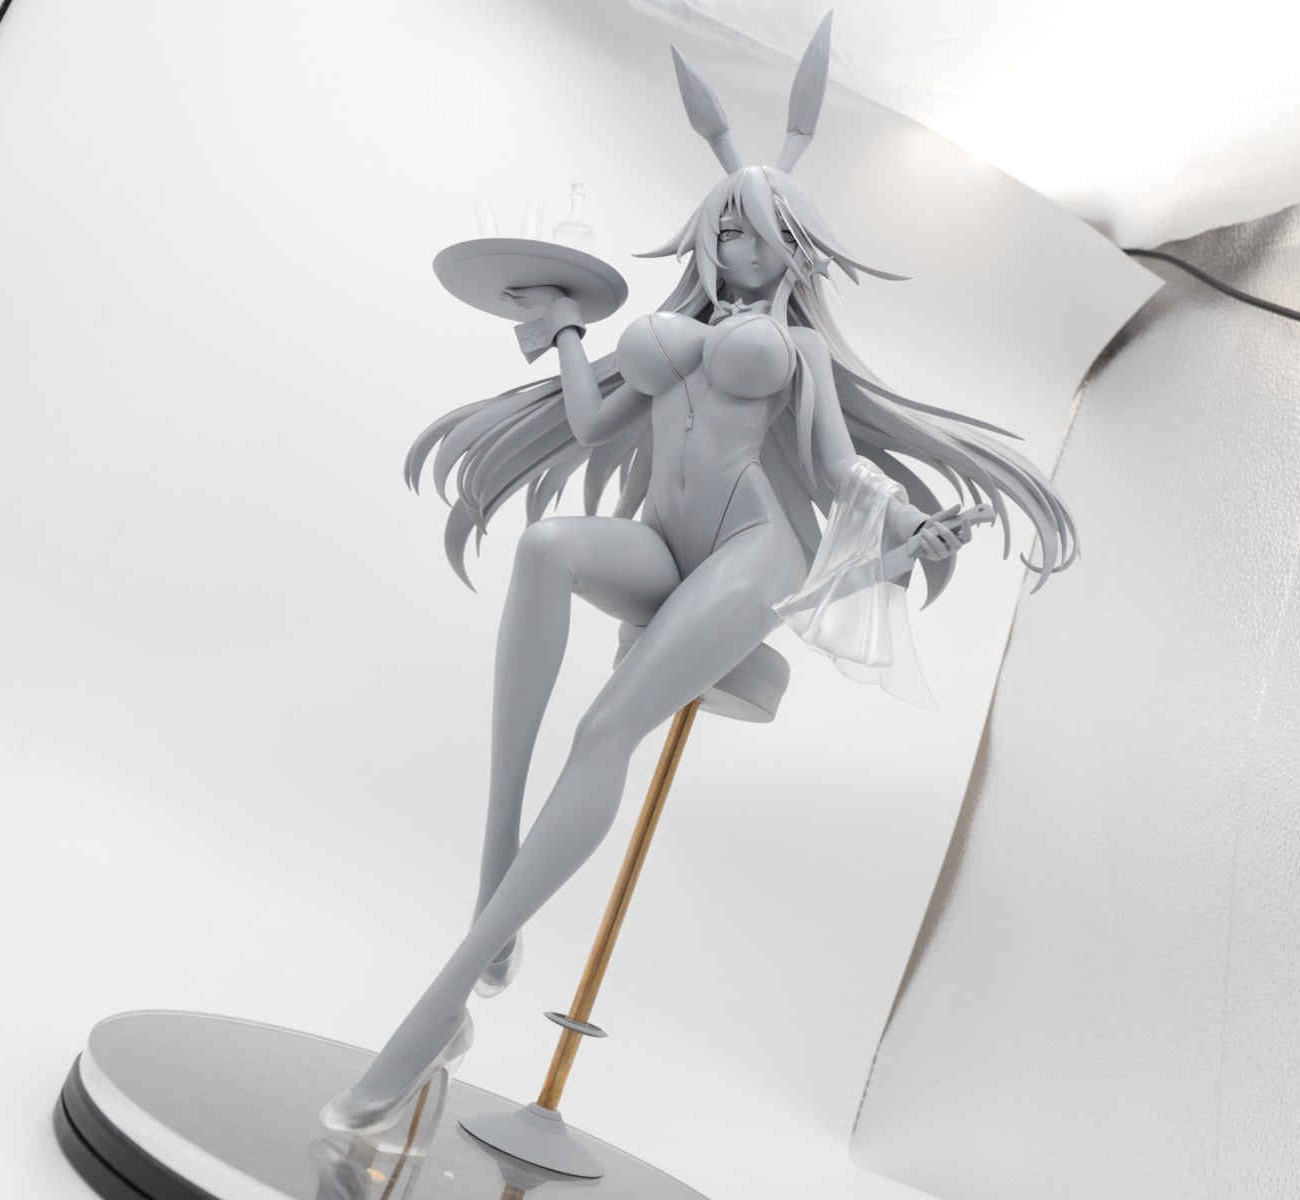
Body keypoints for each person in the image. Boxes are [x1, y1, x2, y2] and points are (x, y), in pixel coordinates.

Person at [320, 11, 1076, 1134]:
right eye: (726, 225)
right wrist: (565, 330)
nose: (737, 243)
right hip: (665, 541)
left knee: (602, 732)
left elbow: (837, 466)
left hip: (748, 554)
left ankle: (441, 1003)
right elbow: (593, 424)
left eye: (759, 230)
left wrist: (908, 528)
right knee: (544, 546)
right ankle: (496, 871)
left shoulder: (797, 349)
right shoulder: (673, 326)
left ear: (795, 245)